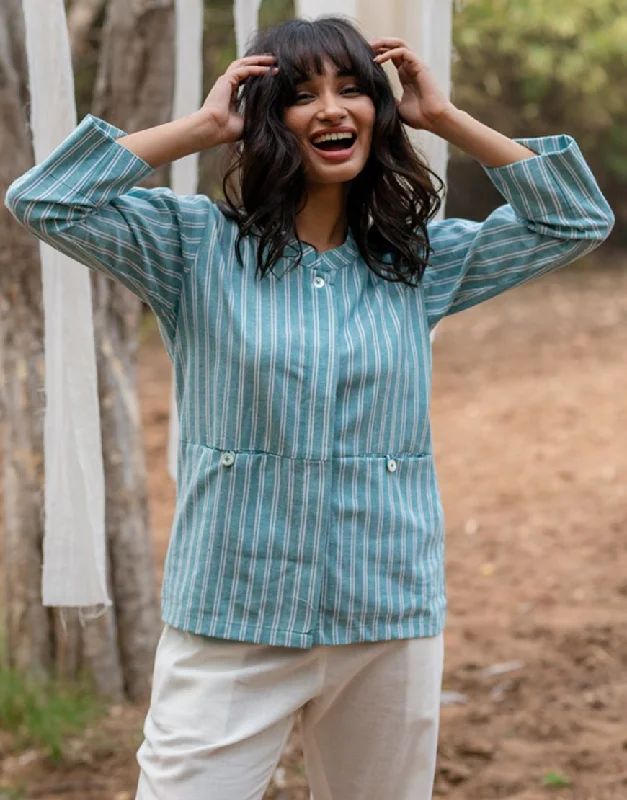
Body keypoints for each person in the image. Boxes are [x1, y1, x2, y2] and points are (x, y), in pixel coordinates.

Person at [5, 15, 614, 800]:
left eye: (351, 88)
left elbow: (574, 219)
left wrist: (445, 119)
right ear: (266, 121)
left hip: (384, 608)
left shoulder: (415, 262)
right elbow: (44, 199)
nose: (331, 109)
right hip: (232, 612)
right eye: (300, 95)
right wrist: (200, 126)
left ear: (379, 111)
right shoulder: (192, 247)